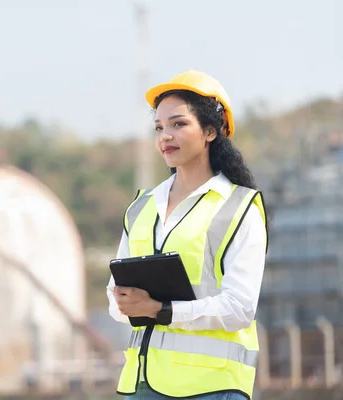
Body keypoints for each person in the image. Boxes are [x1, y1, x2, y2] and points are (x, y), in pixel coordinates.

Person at [107, 70, 268, 400]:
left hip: (213, 388)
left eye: (179, 124)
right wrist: (125, 302)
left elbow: (240, 307)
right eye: (159, 127)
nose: (165, 136)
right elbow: (114, 297)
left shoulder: (240, 207)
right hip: (141, 385)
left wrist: (162, 309)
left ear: (211, 131)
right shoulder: (141, 207)